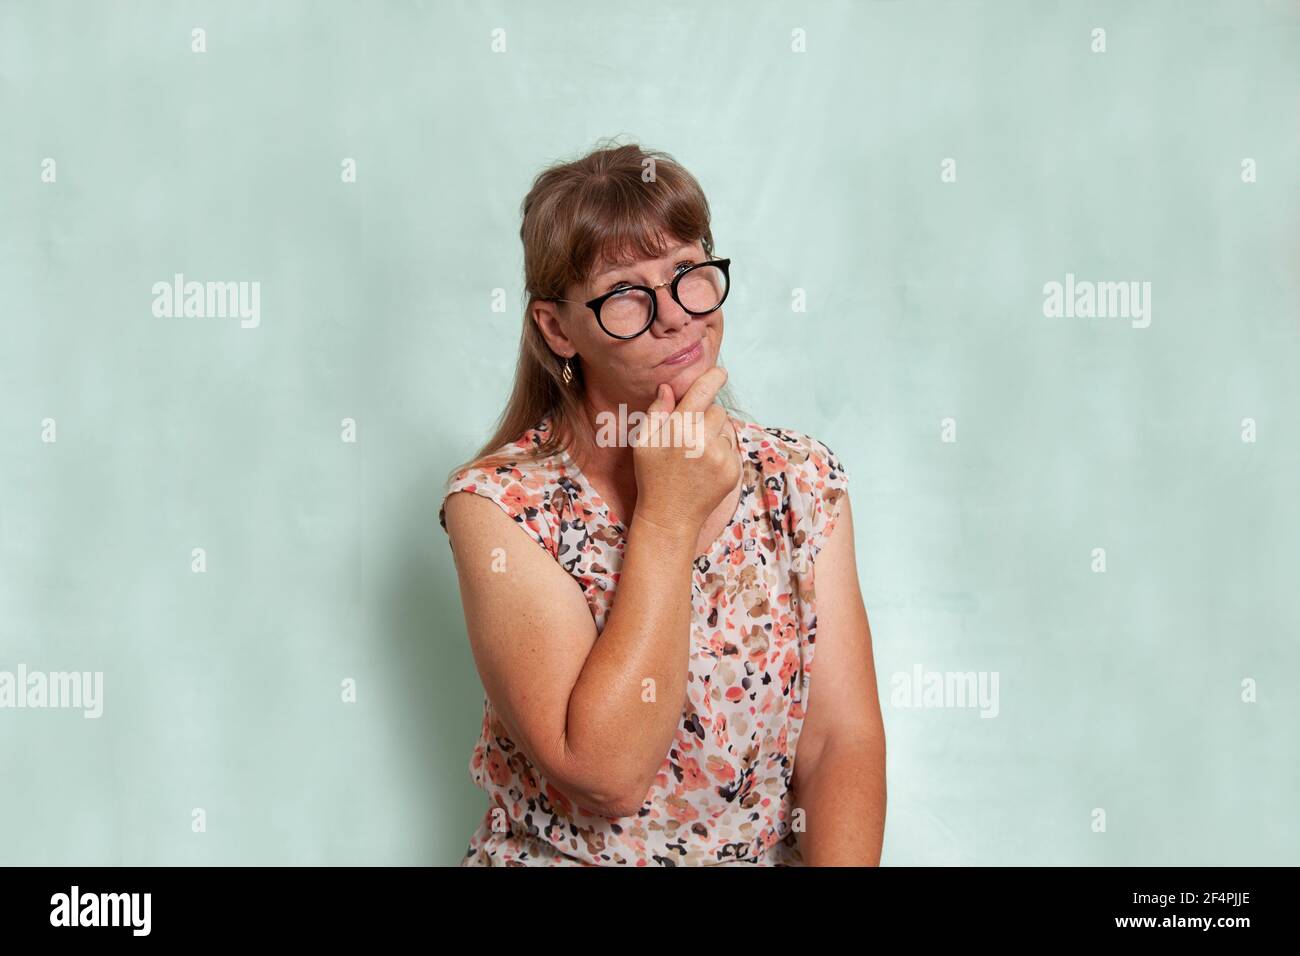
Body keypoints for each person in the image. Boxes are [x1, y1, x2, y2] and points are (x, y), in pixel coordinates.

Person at [439, 141, 885, 865]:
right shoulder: (498, 505)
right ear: (558, 330)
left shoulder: (799, 478)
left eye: (687, 274)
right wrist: (668, 516)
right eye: (623, 294)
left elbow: (841, 744)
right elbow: (606, 777)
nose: (674, 316)